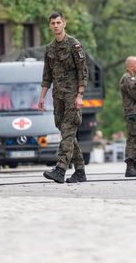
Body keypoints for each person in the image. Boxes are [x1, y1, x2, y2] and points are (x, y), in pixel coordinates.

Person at [40, 12, 89, 184]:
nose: (56, 25)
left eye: (58, 22)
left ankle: (60, 169)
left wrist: (80, 95)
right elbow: (47, 75)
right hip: (57, 96)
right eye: (52, 23)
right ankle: (80, 171)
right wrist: (42, 98)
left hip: (72, 96)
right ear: (50, 25)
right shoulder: (49, 49)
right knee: (66, 132)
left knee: (68, 130)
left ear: (64, 24)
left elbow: (83, 72)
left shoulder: (74, 45)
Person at [120, 56, 136, 177]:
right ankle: (130, 167)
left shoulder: (133, 78)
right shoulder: (128, 78)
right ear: (131, 66)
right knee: (134, 138)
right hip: (133, 113)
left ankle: (135, 165)